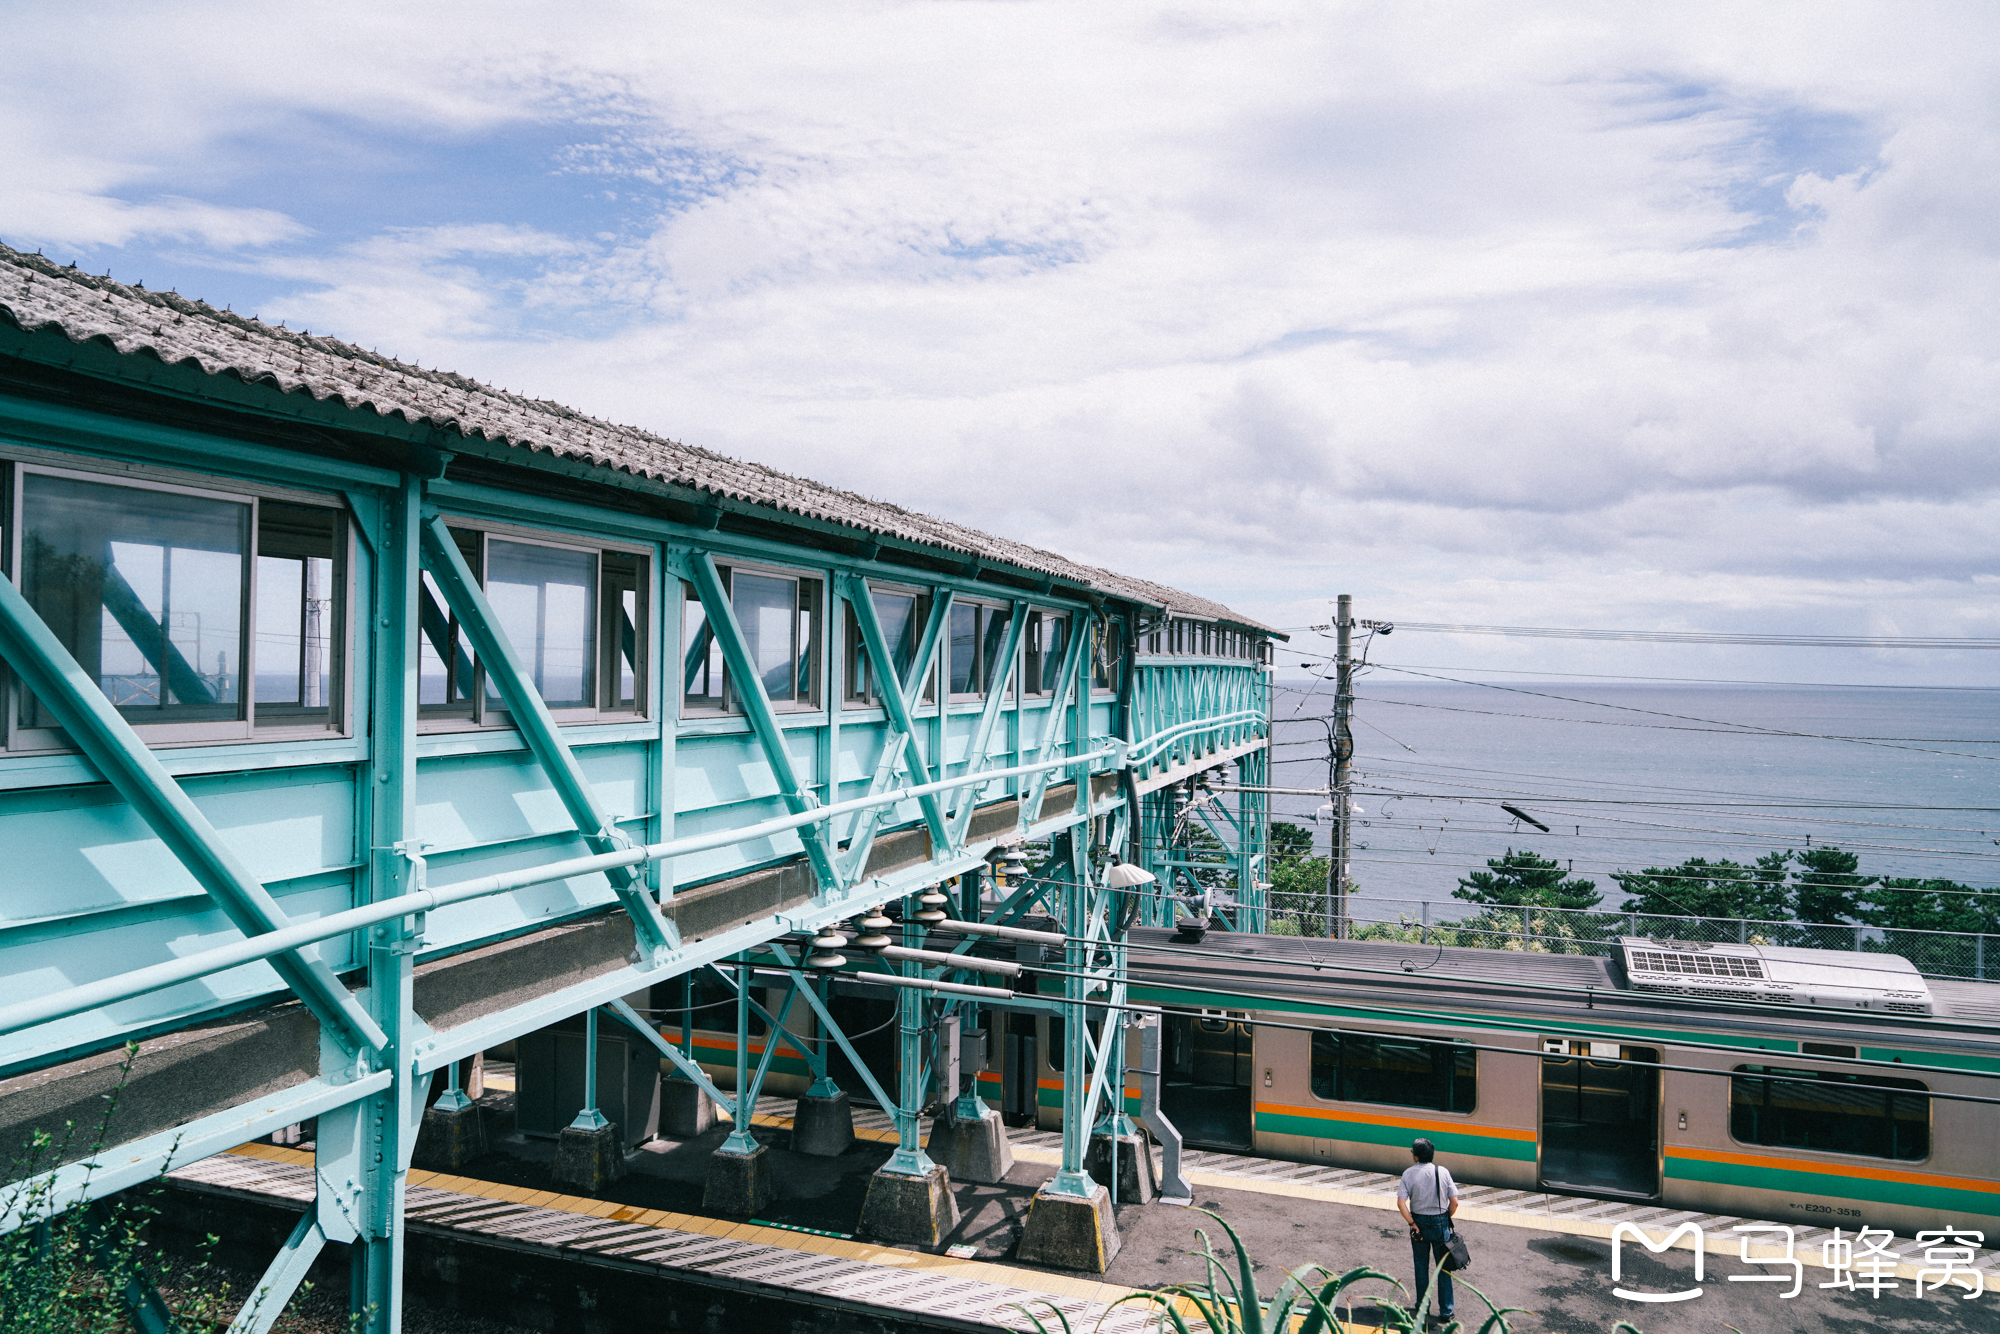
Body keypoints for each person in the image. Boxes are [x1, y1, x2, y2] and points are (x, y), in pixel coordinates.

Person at [1396, 1138, 1460, 1325]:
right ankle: (1446, 1311)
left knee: (1421, 1265)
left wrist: (1411, 1224)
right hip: (1440, 1223)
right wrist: (1446, 1217)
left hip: (1419, 1223)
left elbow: (1401, 1203)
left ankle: (1423, 1305)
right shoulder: (1442, 1172)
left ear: (1416, 1156)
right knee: (1444, 1268)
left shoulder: (1408, 1173)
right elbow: (1454, 1202)